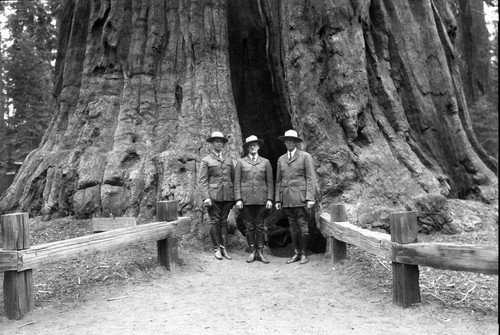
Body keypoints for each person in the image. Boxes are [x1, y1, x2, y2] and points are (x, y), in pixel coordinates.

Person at [275, 130, 316, 264]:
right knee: (292, 228)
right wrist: (277, 199)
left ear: (296, 142)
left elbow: (310, 178)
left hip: (301, 198)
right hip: (287, 199)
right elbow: (279, 181)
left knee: (303, 226)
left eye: (291, 140)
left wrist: (310, 198)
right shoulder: (281, 159)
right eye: (286, 140)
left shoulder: (305, 157)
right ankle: (296, 253)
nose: (288, 142)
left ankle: (304, 253)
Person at [234, 135, 274, 264]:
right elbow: (237, 182)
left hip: (262, 199)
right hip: (246, 200)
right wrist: (238, 199)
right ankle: (252, 251)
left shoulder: (265, 162)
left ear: (258, 146)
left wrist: (269, 199)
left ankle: (261, 252)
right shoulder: (241, 162)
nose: (252, 146)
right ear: (246, 147)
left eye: (255, 144)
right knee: (250, 226)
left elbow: (270, 182)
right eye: (250, 144)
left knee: (260, 226)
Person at [198, 131, 235, 260]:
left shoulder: (228, 159)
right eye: (216, 141)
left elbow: (233, 178)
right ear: (212, 144)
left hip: (228, 196)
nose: (219, 144)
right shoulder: (206, 160)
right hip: (213, 197)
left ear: (223, 144)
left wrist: (235, 197)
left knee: (224, 221)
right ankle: (216, 248)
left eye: (221, 142)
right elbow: (202, 181)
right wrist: (206, 197)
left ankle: (224, 248)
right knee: (214, 221)